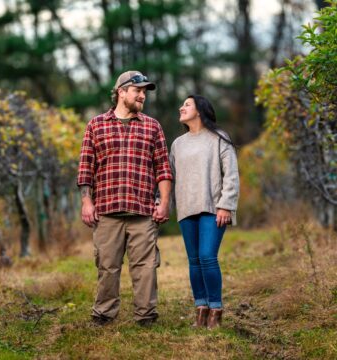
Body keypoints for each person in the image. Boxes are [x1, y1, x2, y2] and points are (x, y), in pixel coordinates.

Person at [77, 70, 172, 327]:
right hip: (107, 210)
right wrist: (87, 201)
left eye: (144, 92)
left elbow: (163, 168)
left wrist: (163, 203)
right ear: (121, 92)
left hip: (142, 210)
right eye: (138, 91)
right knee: (107, 266)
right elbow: (86, 167)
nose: (143, 96)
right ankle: (104, 314)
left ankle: (146, 316)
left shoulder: (152, 126)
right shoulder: (96, 125)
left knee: (145, 267)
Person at [169, 95, 239, 330]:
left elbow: (231, 174)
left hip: (213, 207)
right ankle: (201, 309)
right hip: (187, 208)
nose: (182, 107)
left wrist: (226, 204)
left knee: (208, 256)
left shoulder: (219, 138)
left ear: (200, 110)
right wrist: (163, 203)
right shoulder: (178, 144)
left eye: (187, 104)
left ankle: (216, 310)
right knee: (194, 260)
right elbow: (170, 177)